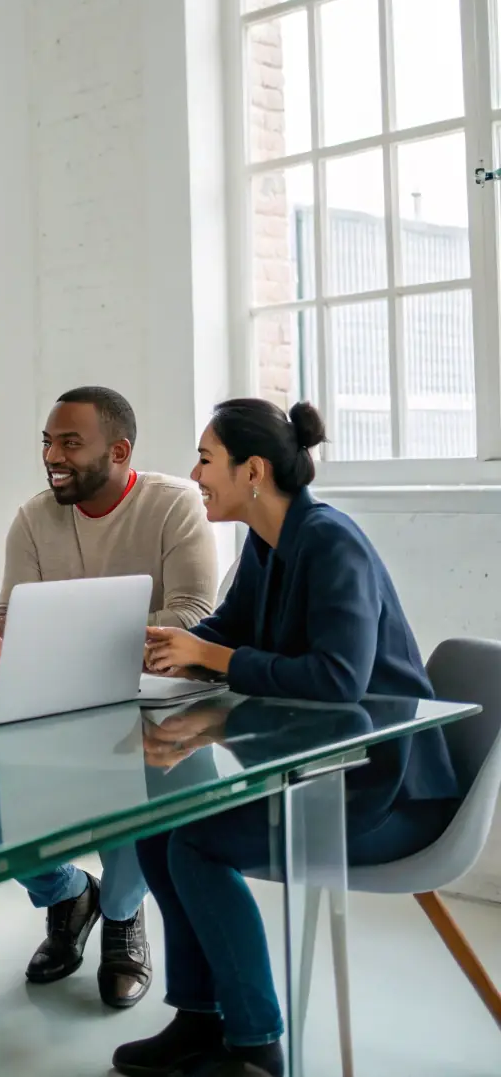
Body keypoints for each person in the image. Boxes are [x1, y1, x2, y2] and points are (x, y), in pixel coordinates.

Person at [114, 399, 461, 1077]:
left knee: (197, 843)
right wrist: (157, 647)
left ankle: (256, 1046)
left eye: (206, 458)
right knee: (160, 826)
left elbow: (337, 679)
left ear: (253, 471)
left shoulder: (333, 542)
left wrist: (208, 657)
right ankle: (197, 1018)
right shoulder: (266, 544)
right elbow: (227, 629)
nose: (195, 472)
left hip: (387, 791)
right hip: (324, 772)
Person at [0, 387, 217, 1010]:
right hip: (57, 710)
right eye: (48, 442)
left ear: (120, 450)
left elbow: (194, 615)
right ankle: (71, 895)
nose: (53, 455)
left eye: (70, 443)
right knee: (9, 842)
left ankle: (125, 918)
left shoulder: (175, 504)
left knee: (135, 792)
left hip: (160, 715)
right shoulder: (33, 517)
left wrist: (48, 644)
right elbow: (11, 613)